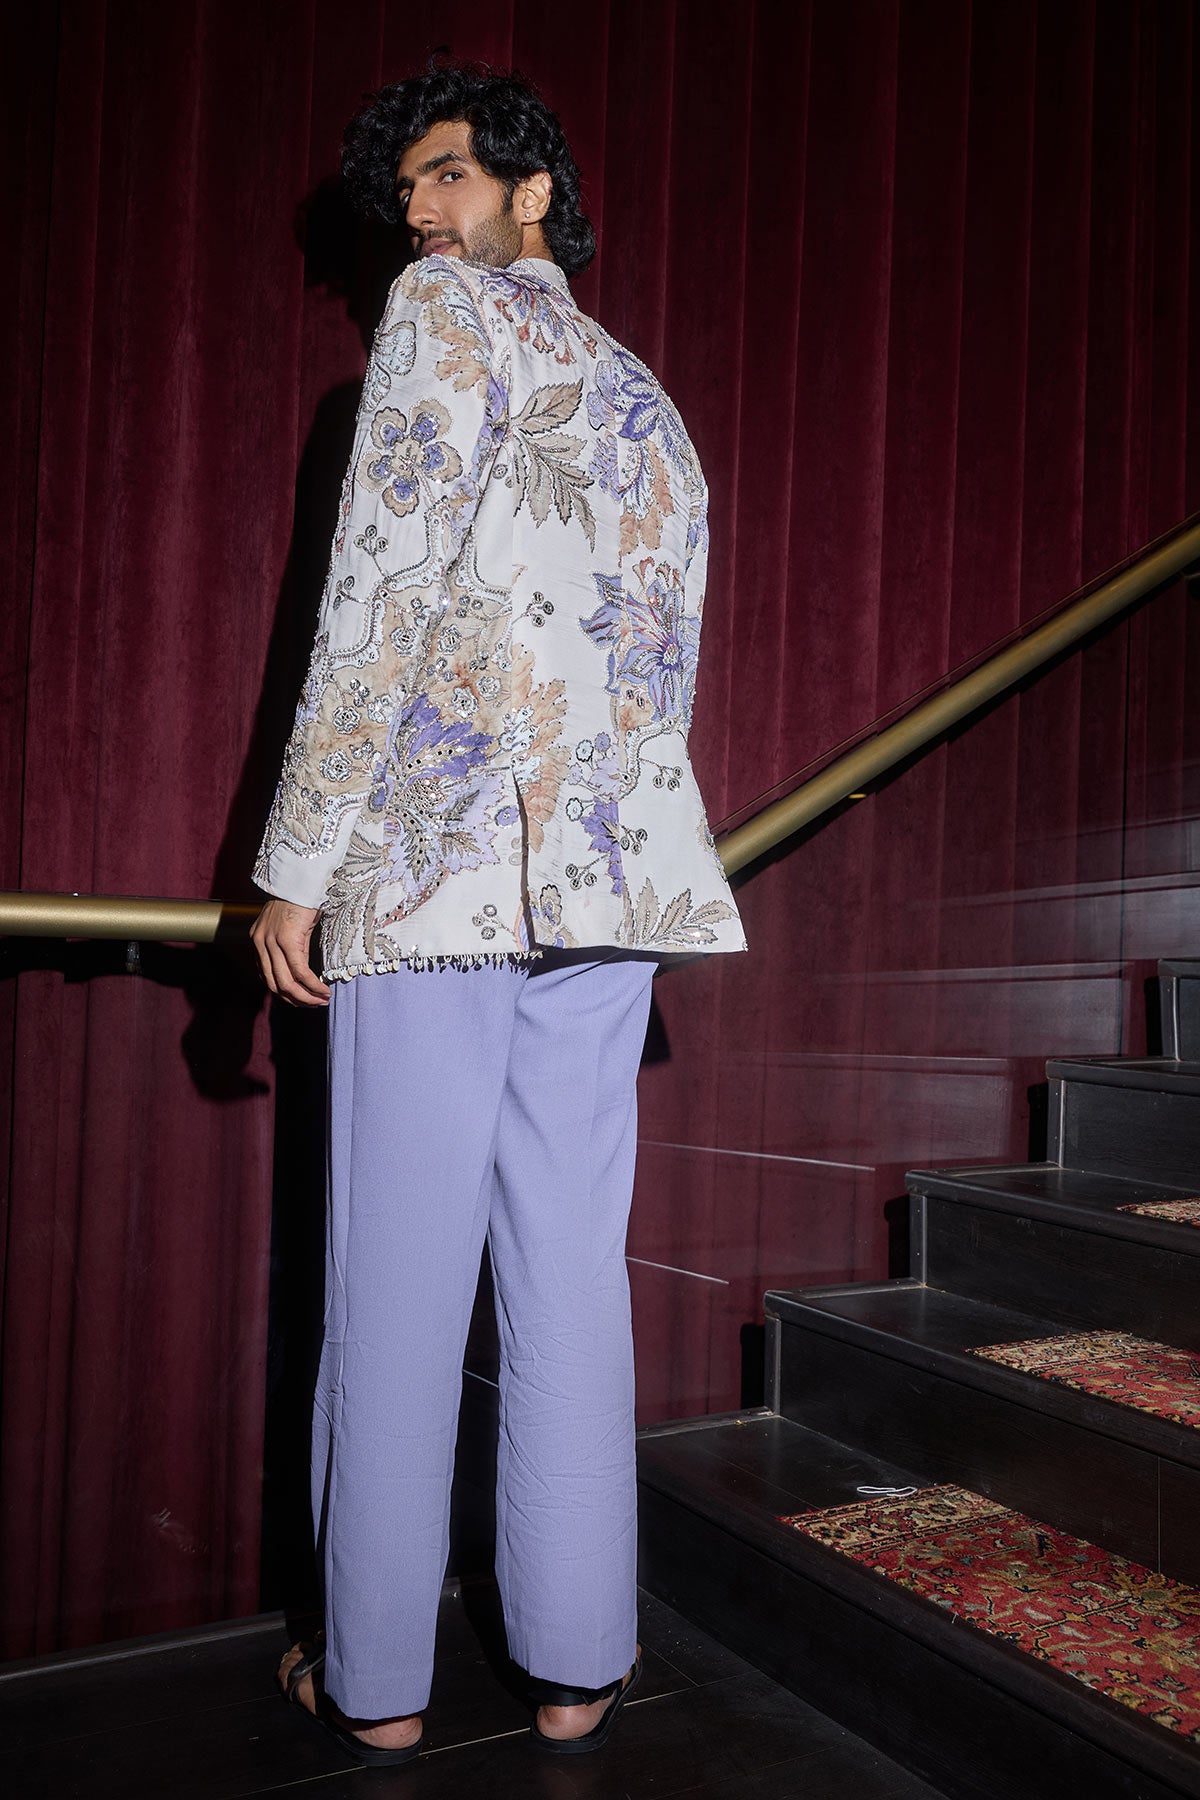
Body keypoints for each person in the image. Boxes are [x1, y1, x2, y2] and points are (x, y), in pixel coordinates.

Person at [250, 61, 746, 1767]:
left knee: (394, 1285)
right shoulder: (651, 402)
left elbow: (377, 589)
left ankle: (378, 1680)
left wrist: (298, 857)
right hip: (608, 890)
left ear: (535, 192)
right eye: (406, 194)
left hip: (442, 870)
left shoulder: (440, 317)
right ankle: (578, 1666)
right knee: (568, 1284)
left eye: (450, 175)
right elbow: (660, 665)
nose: (421, 213)